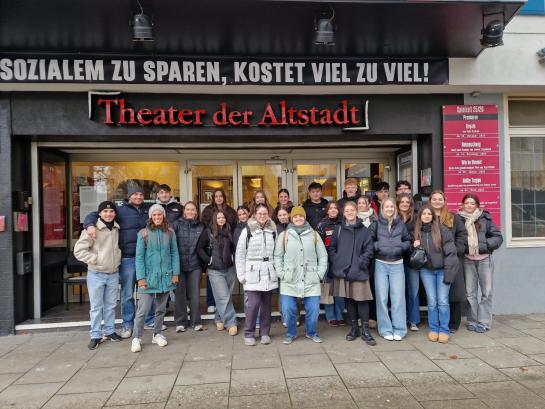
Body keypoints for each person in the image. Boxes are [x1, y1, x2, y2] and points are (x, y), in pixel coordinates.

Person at [84, 183, 151, 338]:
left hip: (146, 258)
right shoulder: (119, 210)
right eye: (135, 194)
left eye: (141, 194)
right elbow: (94, 215)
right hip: (127, 258)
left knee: (147, 291)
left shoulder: (148, 209)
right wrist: (89, 225)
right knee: (127, 294)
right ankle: (128, 324)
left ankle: (149, 320)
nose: (138, 197)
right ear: (129, 196)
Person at [274, 207, 328, 344]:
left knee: (313, 309)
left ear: (305, 218)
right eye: (295, 216)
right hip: (289, 279)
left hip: (311, 279)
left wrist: (319, 274)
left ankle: (311, 332)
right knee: (288, 309)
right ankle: (291, 333)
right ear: (291, 219)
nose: (298, 218)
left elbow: (323, 256)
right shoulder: (284, 236)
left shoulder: (314, 235)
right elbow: (277, 256)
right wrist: (281, 273)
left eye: (301, 216)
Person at [74, 201, 123, 350]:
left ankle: (109, 331)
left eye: (111, 211)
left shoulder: (117, 228)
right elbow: (79, 251)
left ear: (115, 213)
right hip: (96, 274)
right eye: (105, 212)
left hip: (113, 273)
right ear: (100, 213)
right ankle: (95, 335)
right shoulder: (91, 229)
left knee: (110, 306)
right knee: (96, 307)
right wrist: (95, 260)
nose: (108, 214)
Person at [131, 205, 180, 352]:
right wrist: (141, 278)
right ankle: (136, 337)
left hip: (165, 277)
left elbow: (174, 253)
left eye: (159, 214)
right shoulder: (143, 234)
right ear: (151, 217)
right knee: (142, 310)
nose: (157, 217)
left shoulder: (170, 233)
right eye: (154, 215)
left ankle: (157, 334)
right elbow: (139, 258)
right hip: (149, 278)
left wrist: (175, 273)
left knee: (161, 309)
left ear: (163, 216)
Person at [329, 201, 376, 345]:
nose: (349, 213)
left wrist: (361, 262)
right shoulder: (339, 229)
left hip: (359, 270)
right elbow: (332, 248)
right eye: (347, 211)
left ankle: (366, 330)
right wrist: (337, 261)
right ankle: (354, 328)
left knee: (362, 299)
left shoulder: (364, 229)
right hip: (344, 269)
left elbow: (369, 249)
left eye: (352, 210)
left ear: (356, 212)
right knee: (349, 299)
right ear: (343, 213)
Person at [413, 205, 459, 343]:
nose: (426, 216)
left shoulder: (442, 230)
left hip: (442, 271)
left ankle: (444, 330)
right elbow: (413, 256)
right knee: (432, 301)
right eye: (424, 214)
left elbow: (451, 253)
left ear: (433, 216)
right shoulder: (417, 231)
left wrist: (449, 273)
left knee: (443, 301)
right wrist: (414, 247)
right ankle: (433, 328)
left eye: (429, 214)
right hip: (426, 271)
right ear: (420, 216)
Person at [458, 193, 503, 333]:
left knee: (487, 292)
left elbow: (497, 237)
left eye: (472, 203)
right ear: (463, 205)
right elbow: (457, 238)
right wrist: (466, 247)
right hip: (467, 260)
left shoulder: (485, 218)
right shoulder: (458, 219)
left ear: (477, 205)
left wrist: (483, 246)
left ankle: (484, 322)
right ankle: (472, 320)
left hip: (484, 259)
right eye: (467, 203)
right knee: (470, 293)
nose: (469, 205)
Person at [369, 198, 411, 341]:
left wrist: (401, 247)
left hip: (397, 264)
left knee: (398, 297)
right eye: (386, 206)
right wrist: (378, 246)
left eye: (391, 207)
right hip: (380, 263)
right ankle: (385, 329)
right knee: (382, 298)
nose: (389, 209)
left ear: (395, 209)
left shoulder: (401, 224)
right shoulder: (375, 224)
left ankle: (399, 329)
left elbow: (407, 240)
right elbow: (369, 242)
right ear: (382, 208)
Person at [235, 203, 278, 346]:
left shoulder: (273, 230)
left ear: (268, 214)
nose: (262, 216)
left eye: (265, 213)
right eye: (260, 213)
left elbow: (277, 253)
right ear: (254, 214)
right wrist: (241, 275)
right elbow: (240, 254)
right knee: (253, 305)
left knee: (266, 306)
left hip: (269, 272)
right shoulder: (247, 230)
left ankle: (265, 333)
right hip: (253, 273)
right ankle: (249, 333)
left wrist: (276, 270)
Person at [429, 190, 468, 333]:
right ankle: (438, 322)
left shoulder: (453, 217)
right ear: (430, 201)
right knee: (437, 295)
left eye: (440, 199)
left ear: (445, 201)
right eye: (434, 199)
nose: (437, 201)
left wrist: (455, 250)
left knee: (454, 292)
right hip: (434, 261)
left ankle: (453, 323)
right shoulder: (427, 216)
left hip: (451, 259)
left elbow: (462, 235)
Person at [197, 210, 238, 336]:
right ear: (214, 219)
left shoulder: (230, 231)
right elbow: (199, 248)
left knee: (226, 296)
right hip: (215, 270)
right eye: (218, 218)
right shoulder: (208, 232)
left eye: (223, 217)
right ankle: (231, 323)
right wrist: (209, 260)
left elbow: (234, 247)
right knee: (223, 297)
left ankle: (219, 318)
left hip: (229, 268)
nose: (221, 219)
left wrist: (233, 258)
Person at [201, 189, 237, 314]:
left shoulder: (230, 211)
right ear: (213, 198)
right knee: (213, 280)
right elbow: (205, 228)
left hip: (226, 247)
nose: (218, 198)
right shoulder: (207, 211)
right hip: (213, 246)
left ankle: (222, 310)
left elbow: (233, 228)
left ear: (224, 197)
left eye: (221, 196)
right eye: (216, 196)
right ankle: (211, 302)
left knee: (225, 286)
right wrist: (209, 258)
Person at [173, 201, 205, 333]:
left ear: (196, 212)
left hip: (195, 265)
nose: (190, 211)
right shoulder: (176, 224)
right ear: (184, 211)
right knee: (179, 295)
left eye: (193, 209)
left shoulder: (201, 226)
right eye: (188, 209)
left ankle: (196, 321)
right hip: (179, 265)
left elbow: (204, 246)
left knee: (195, 295)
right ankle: (181, 322)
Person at [317, 202, 345, 326]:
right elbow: (318, 244)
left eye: (335, 208)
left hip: (340, 260)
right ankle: (330, 316)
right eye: (330, 208)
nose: (333, 210)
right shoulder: (322, 225)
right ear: (327, 211)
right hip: (326, 260)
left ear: (338, 210)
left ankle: (340, 315)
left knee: (339, 289)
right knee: (327, 289)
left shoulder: (343, 223)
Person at [397, 193, 420, 331]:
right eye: (402, 202)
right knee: (399, 291)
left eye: (407, 202)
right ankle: (402, 318)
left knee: (413, 290)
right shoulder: (394, 217)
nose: (405, 204)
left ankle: (413, 320)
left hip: (413, 258)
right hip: (397, 258)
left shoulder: (416, 218)